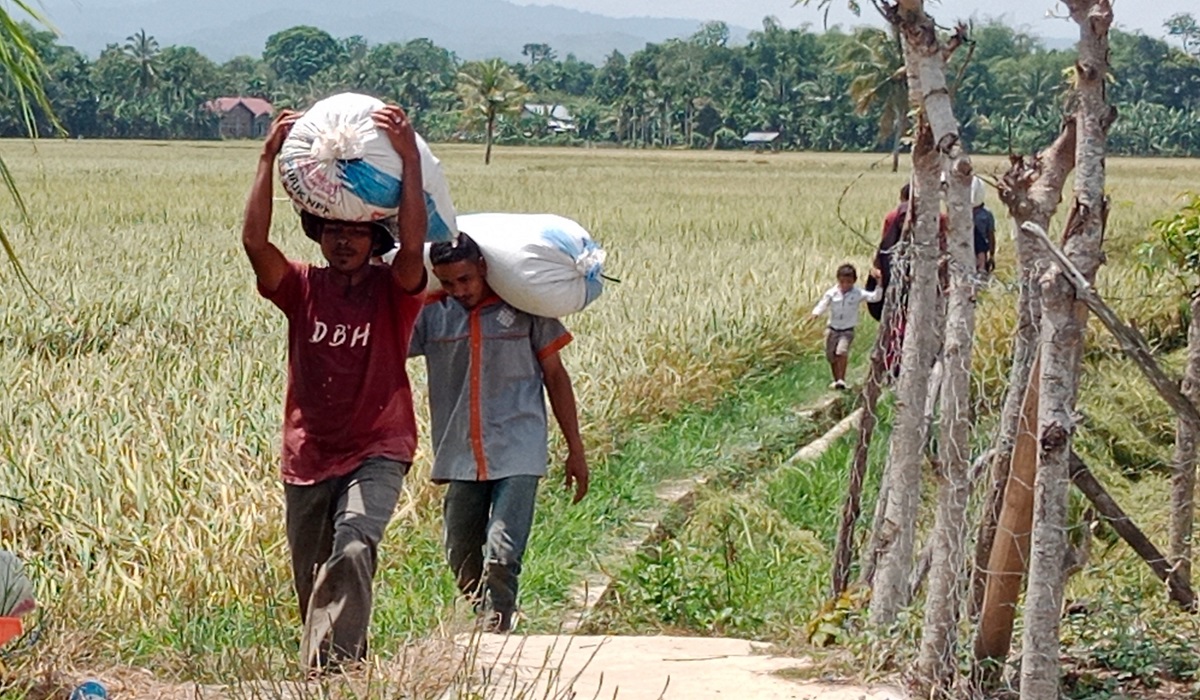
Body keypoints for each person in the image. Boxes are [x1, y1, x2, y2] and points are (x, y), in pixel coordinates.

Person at [242, 105, 428, 671]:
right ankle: (346, 669)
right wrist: (267, 156)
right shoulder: (301, 286)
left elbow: (415, 249)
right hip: (308, 453)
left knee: (353, 544)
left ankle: (329, 678)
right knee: (313, 580)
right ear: (319, 234)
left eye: (355, 232)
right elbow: (254, 244)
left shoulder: (395, 290)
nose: (344, 242)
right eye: (334, 231)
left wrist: (411, 159)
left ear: (374, 239)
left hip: (378, 447)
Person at [408, 233, 590, 634]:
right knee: (459, 549)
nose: (459, 290)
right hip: (459, 450)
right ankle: (480, 612)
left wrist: (575, 449)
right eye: (449, 282)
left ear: (484, 269)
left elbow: (556, 377)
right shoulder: (434, 314)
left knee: (503, 548)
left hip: (518, 446)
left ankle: (498, 622)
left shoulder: (526, 308)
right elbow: (387, 346)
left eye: (466, 279)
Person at [810, 263, 882, 390]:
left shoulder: (857, 293)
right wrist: (815, 314)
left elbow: (874, 297)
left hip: (847, 330)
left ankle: (842, 380)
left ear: (854, 281)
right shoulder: (832, 293)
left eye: (849, 282)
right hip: (832, 328)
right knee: (831, 355)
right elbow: (823, 304)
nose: (845, 285)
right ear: (838, 280)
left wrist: (879, 283)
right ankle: (836, 380)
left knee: (841, 352)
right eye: (842, 282)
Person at [972, 176, 996, 276]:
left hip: (980, 250)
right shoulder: (961, 214)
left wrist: (992, 255)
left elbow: (991, 235)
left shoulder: (986, 214)